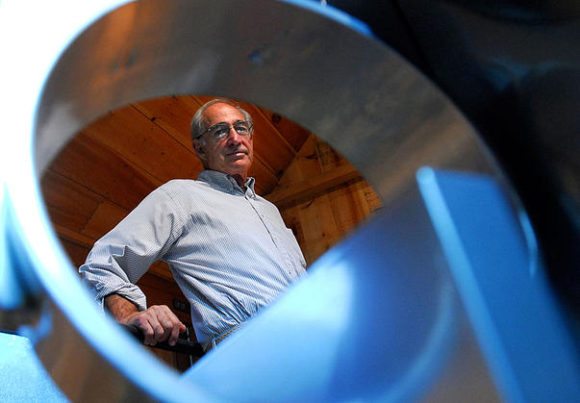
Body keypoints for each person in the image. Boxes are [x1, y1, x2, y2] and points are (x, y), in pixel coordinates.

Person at [79, 98, 307, 351]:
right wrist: (128, 316)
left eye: (241, 127)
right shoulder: (180, 197)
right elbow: (103, 264)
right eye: (220, 131)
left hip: (314, 345)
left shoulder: (270, 210)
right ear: (200, 148)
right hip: (250, 353)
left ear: (251, 138)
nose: (234, 138)